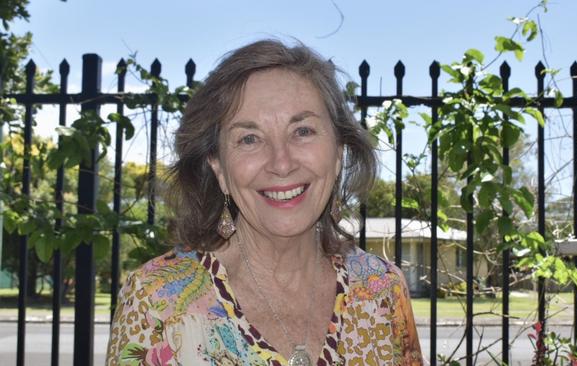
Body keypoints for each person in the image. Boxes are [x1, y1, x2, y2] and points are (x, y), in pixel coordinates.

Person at [106, 39, 423, 366]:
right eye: (249, 138)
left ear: (339, 152)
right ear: (219, 167)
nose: (281, 163)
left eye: (302, 131)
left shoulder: (382, 290)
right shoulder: (157, 302)